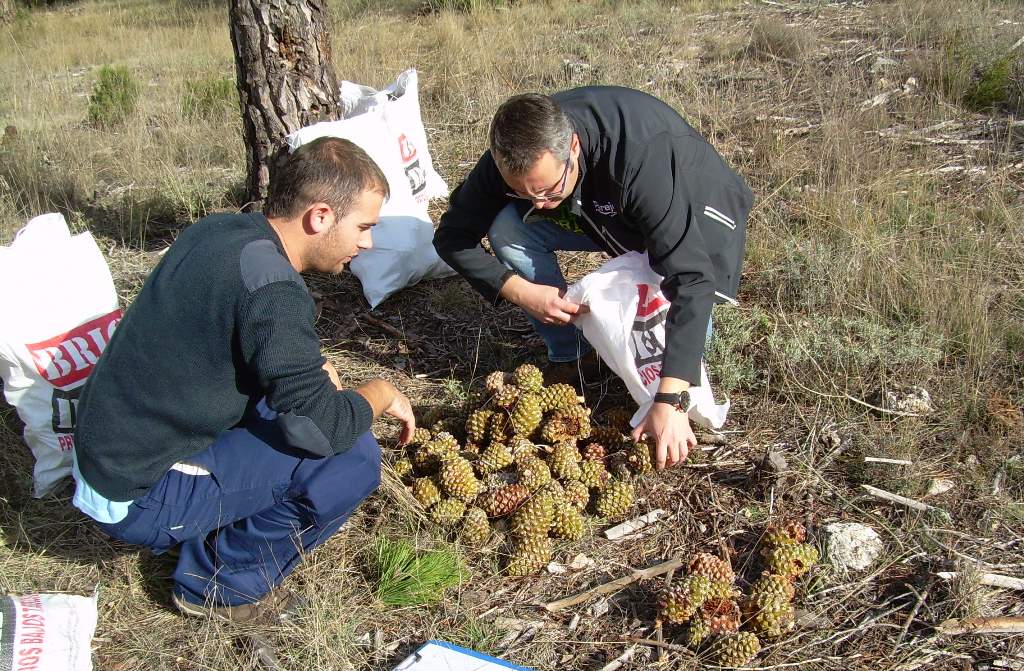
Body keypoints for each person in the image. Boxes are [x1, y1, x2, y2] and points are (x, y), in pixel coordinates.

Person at [72, 137, 415, 622]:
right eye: (363, 227)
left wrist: (312, 375)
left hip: (106, 448)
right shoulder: (274, 290)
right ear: (320, 216)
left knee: (300, 406)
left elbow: (230, 340)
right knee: (351, 457)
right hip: (135, 493)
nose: (367, 242)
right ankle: (216, 584)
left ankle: (213, 519)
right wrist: (381, 392)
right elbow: (324, 429)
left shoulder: (222, 233)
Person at [433, 86, 754, 470]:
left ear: (572, 146)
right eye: (521, 192)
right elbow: (451, 237)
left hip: (695, 210)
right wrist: (521, 292)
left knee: (690, 342)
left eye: (548, 190)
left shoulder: (638, 158)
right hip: (602, 209)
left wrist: (672, 400)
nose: (537, 205)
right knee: (507, 229)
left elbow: (692, 278)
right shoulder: (514, 153)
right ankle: (573, 353)